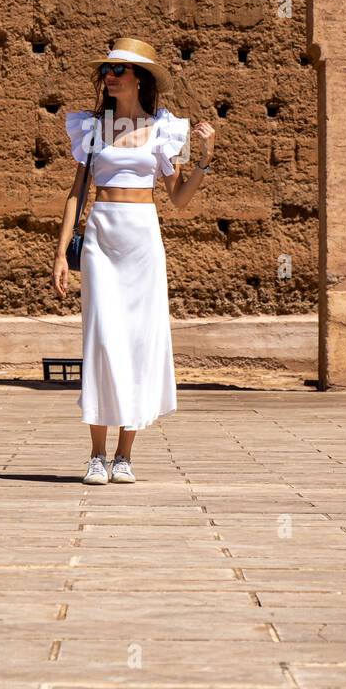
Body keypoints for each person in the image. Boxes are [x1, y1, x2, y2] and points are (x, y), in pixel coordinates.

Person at [52, 36, 216, 485]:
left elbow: (179, 198)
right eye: (107, 69)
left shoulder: (168, 130)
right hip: (102, 235)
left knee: (139, 342)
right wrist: (61, 254)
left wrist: (204, 157)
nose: (109, 76)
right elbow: (76, 194)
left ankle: (125, 455)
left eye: (118, 71)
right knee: (102, 340)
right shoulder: (90, 129)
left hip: (143, 237)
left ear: (139, 79)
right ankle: (96, 454)